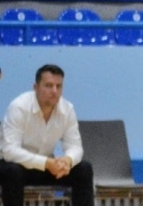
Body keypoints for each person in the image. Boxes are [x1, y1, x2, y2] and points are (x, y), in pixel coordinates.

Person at [0, 64, 94, 206]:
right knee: (12, 171)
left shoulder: (67, 109)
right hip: (17, 165)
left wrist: (67, 161)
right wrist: (46, 163)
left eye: (58, 86)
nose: (54, 91)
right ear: (36, 87)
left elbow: (75, 147)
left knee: (84, 169)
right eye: (48, 86)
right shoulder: (19, 107)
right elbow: (9, 151)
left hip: (47, 167)